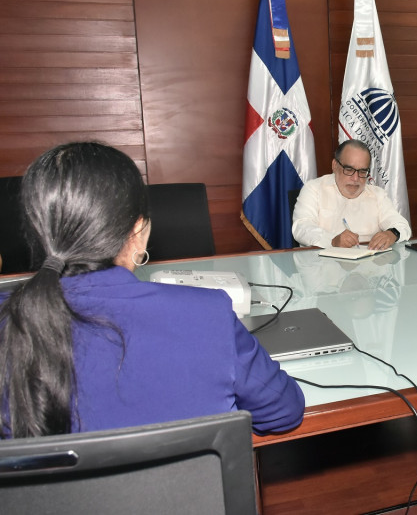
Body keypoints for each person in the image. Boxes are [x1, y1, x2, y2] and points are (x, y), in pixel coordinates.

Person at [0, 142, 304, 439]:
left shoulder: (8, 318)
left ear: (36, 233)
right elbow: (283, 410)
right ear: (139, 233)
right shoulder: (205, 314)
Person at [292, 139, 411, 249]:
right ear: (334, 165)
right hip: (323, 264)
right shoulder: (313, 189)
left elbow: (402, 226)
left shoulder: (377, 195)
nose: (355, 178)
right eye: (349, 170)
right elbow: (301, 227)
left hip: (368, 267)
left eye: (362, 171)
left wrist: (392, 234)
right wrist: (332, 241)